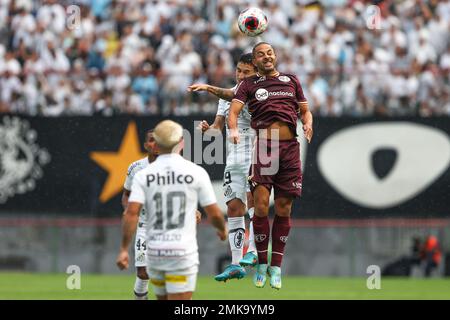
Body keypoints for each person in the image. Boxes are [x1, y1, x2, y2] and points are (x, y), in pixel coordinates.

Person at [227, 42, 313, 290]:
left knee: (284, 208)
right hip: (265, 146)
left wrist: (308, 123)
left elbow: (305, 111)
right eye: (261, 54)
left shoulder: (291, 80)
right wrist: (233, 129)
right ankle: (261, 264)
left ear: (275, 56)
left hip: (290, 148)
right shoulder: (248, 85)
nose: (267, 56)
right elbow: (233, 112)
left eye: (270, 52)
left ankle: (276, 266)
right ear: (255, 61)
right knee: (262, 206)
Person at [116, 120, 227, 300]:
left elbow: (130, 213)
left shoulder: (144, 176)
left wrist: (123, 249)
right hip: (181, 247)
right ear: (181, 142)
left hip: (156, 247)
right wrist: (222, 230)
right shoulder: (194, 171)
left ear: (158, 143)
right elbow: (214, 213)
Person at [188, 53, 258, 282]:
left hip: (257, 154)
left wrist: (208, 87)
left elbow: (233, 95)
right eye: (239, 70)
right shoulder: (226, 97)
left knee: (254, 202)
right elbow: (218, 128)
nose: (241, 75)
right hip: (234, 158)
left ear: (257, 73)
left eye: (247, 72)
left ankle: (255, 250)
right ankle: (236, 263)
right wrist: (208, 130)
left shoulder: (260, 94)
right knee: (234, 208)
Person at [122, 129, 202, 300]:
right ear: (146, 145)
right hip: (145, 225)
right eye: (151, 140)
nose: (155, 144)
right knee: (143, 273)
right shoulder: (136, 168)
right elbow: (126, 195)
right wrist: (129, 210)